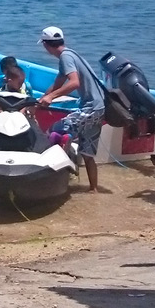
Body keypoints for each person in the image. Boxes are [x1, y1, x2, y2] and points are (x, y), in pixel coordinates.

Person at [38, 26, 105, 193]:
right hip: (99, 108)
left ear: (46, 45)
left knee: (56, 130)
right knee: (88, 153)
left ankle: (51, 177)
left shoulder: (65, 57)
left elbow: (74, 83)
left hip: (91, 108)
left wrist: (51, 98)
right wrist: (40, 101)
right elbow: (57, 84)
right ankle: (93, 190)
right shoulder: (71, 54)